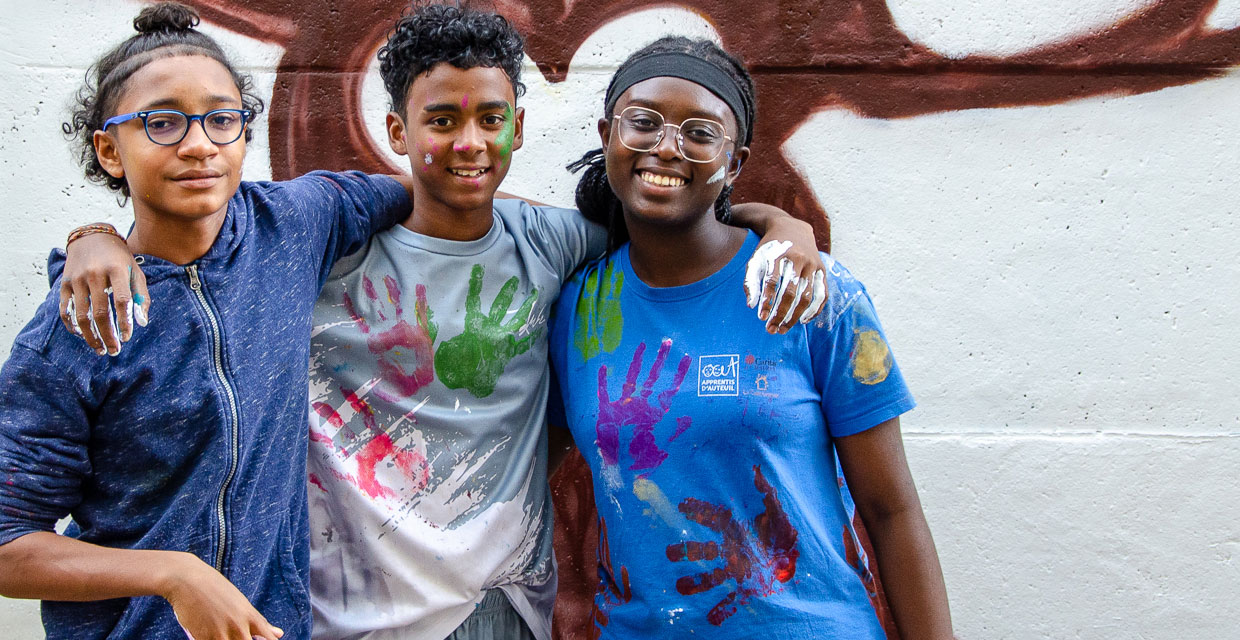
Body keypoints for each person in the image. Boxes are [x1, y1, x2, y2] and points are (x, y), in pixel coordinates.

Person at [56, 5, 829, 639]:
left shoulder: (556, 243)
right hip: (336, 613)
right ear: (399, 134)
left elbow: (677, 224)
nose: (468, 142)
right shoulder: (324, 250)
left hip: (496, 610)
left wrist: (782, 228)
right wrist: (93, 236)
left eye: (491, 117)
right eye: (441, 121)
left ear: (518, 130)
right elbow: (197, 247)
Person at [0, 4, 416, 639]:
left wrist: (593, 226)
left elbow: (437, 194)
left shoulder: (295, 223)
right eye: (162, 123)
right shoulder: (80, 326)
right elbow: (7, 549)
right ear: (111, 150)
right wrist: (173, 575)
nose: (199, 145)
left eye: (222, 119)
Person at [547, 36, 955, 638]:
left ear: (734, 162)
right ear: (608, 134)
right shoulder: (578, 306)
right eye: (644, 122)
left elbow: (892, 512)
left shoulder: (812, 296)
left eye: (699, 132)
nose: (666, 146)